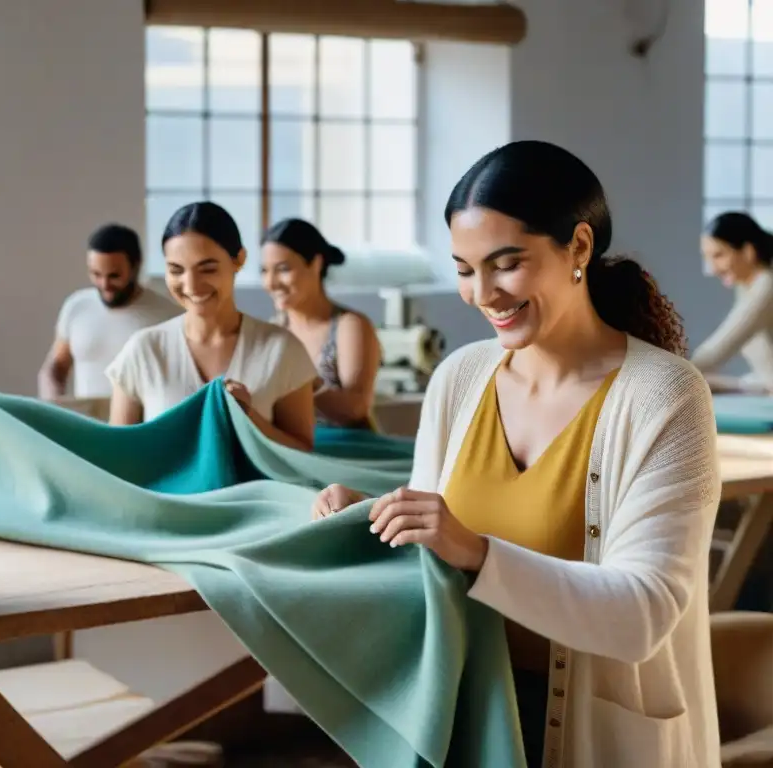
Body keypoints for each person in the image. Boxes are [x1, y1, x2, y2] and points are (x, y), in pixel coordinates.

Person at [311, 141, 721, 767]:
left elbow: (642, 614)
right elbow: (434, 565)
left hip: (590, 738)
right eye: (464, 268)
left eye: (506, 264)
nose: (481, 294)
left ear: (579, 247)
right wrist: (374, 519)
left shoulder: (664, 396)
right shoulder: (460, 378)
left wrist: (472, 549)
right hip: (465, 719)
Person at [106, 202, 318, 452]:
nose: (191, 286)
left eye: (207, 269)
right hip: (163, 492)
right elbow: (118, 454)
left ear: (239, 259)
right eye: (176, 270)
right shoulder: (144, 350)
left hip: (256, 492)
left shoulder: (281, 349)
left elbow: (302, 453)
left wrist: (248, 416)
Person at [260, 218, 381, 429]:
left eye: (283, 269)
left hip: (345, 452)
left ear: (315, 264)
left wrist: (300, 377)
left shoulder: (349, 326)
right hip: (292, 448)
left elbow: (355, 409)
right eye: (265, 271)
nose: (271, 282)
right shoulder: (274, 330)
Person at [38, 224, 181, 401]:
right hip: (86, 422)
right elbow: (56, 366)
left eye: (114, 276)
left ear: (136, 266)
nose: (104, 284)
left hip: (142, 425)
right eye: (96, 274)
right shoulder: (76, 306)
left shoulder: (169, 315)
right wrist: (53, 401)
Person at [691, 211, 773, 393]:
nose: (713, 269)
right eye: (707, 258)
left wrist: (662, 371)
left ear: (748, 252)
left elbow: (719, 349)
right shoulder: (747, 286)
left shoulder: (767, 286)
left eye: (719, 255)